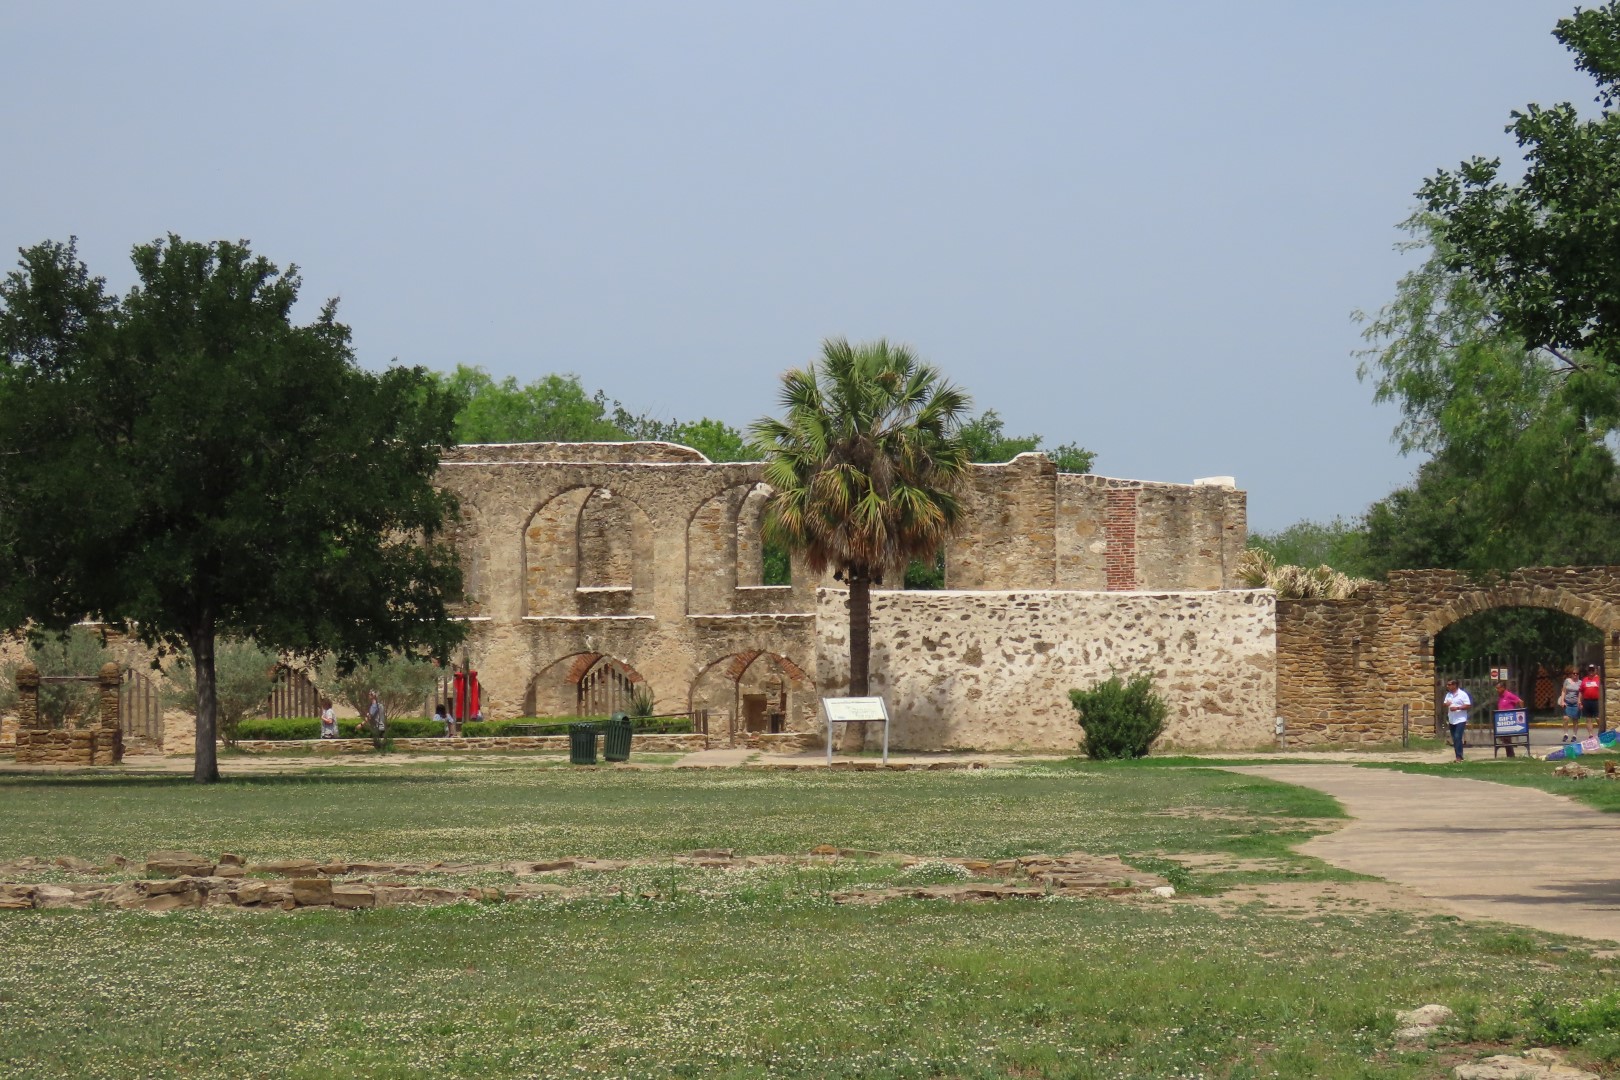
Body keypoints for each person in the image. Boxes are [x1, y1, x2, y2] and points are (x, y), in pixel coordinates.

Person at [1494, 681, 1524, 758]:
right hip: (1502, 721)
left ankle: (1511, 755)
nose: (1497, 690)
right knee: (1505, 739)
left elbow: (1520, 701)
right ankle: (1510, 755)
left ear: (1503, 688)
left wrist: (1522, 711)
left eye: (1498, 688)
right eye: (1496, 688)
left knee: (1507, 739)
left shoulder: (1509, 695)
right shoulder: (1500, 696)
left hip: (1509, 721)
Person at [1444, 678, 1471, 762]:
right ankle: (1458, 756)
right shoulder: (1448, 694)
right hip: (1452, 719)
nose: (1447, 686)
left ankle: (1459, 757)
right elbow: (1445, 703)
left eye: (1449, 684)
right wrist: (1446, 704)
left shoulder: (1462, 694)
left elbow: (1468, 705)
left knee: (1457, 737)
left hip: (1460, 719)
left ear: (1454, 685)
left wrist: (1457, 708)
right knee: (1454, 738)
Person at [1581, 665, 1603, 740]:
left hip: (1596, 701)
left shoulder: (1598, 679)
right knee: (1588, 719)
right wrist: (1579, 702)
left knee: (1598, 717)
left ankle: (1602, 731)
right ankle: (1591, 735)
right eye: (1589, 670)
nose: (1591, 672)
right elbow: (1581, 691)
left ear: (1595, 671)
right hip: (1586, 701)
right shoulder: (1585, 679)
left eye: (1592, 670)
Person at [1563, 667, 1583, 743]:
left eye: (1577, 674)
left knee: (1575, 720)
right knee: (1565, 718)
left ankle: (1574, 735)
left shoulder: (1580, 682)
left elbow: (1581, 693)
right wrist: (1562, 701)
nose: (1575, 675)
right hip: (1567, 702)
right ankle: (1566, 734)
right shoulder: (1567, 681)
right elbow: (1563, 691)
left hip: (1575, 703)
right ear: (1571, 674)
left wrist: (1580, 702)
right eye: (1573, 673)